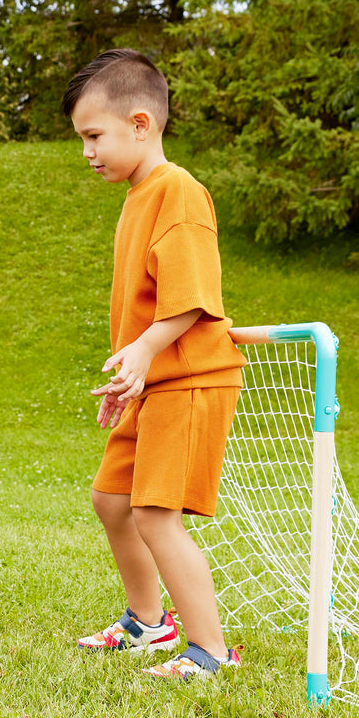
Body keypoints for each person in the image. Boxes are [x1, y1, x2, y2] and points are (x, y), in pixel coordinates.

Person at [63, 49, 245, 680]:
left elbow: (194, 301)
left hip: (192, 380)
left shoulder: (179, 193)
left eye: (94, 136)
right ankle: (149, 623)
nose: (86, 151)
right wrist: (131, 374)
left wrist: (144, 351)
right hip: (153, 383)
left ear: (141, 124)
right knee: (111, 502)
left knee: (155, 515)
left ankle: (211, 652)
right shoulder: (138, 196)